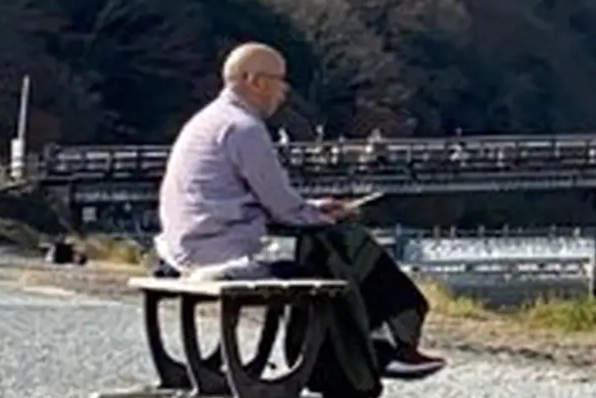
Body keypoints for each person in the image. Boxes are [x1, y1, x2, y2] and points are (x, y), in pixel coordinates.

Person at [156, 42, 440, 380]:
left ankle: (382, 344)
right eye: (280, 80)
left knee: (332, 246)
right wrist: (320, 215)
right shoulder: (244, 129)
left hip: (191, 245)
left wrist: (313, 209)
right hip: (222, 252)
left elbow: (269, 203)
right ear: (254, 80)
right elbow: (283, 208)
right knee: (344, 245)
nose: (284, 92)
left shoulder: (210, 121)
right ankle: (376, 350)